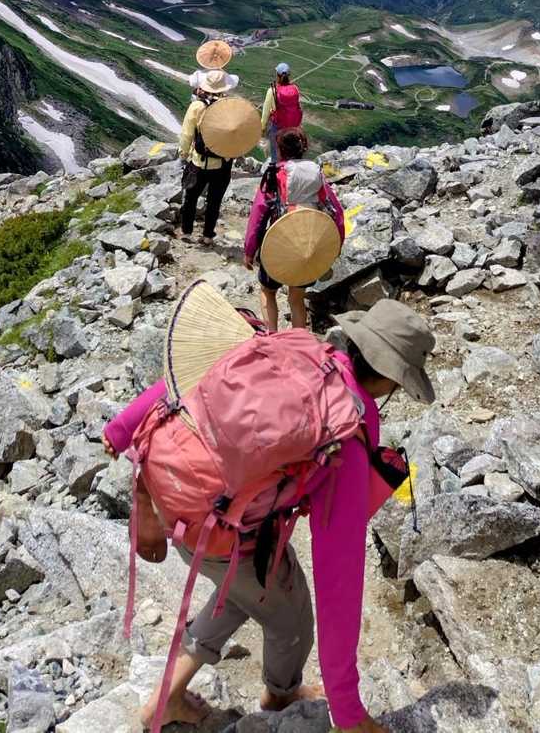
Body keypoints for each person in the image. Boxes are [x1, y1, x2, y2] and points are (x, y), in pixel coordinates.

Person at [102, 300, 436, 733]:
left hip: (172, 492)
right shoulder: (344, 437)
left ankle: (167, 697)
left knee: (242, 593)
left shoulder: (297, 349)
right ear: (392, 378)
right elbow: (339, 578)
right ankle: (280, 696)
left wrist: (122, 428)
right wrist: (348, 712)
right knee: (291, 618)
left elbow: (191, 376)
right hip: (219, 529)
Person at [244, 129, 345, 332]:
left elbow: (259, 214)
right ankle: (299, 341)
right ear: (303, 148)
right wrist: (336, 245)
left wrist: (249, 250)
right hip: (309, 245)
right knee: (297, 298)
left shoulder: (275, 174)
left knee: (268, 291)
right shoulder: (316, 174)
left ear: (280, 150)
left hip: (279, 243)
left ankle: (273, 336)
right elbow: (336, 211)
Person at [177, 70, 234, 245]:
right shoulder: (230, 106)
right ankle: (208, 235)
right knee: (214, 201)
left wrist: (183, 154)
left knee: (191, 197)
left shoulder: (197, 106)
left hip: (199, 162)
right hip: (222, 163)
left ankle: (186, 232)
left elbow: (187, 134)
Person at [261, 62, 302, 164]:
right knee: (289, 153)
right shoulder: (295, 89)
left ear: (277, 75)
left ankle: (277, 170)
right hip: (292, 129)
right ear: (289, 75)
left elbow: (265, 112)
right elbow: (297, 107)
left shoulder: (272, 91)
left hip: (278, 127)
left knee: (276, 154)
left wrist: (262, 127)